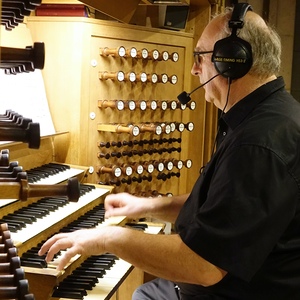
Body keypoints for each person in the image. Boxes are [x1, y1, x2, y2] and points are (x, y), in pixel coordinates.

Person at [38, 3, 300, 299]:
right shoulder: (266, 118)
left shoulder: (259, 143)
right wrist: (148, 206)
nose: (193, 69)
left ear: (231, 61)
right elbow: (224, 206)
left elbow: (203, 265)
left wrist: (109, 237)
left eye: (200, 56)